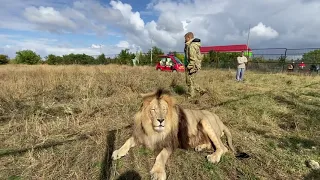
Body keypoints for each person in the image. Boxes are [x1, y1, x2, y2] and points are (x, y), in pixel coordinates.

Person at [184, 32, 206, 98]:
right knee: (191, 81)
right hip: (193, 65)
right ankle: (201, 91)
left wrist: (189, 67)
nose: (184, 40)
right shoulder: (190, 45)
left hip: (192, 66)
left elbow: (192, 58)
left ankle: (192, 95)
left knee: (190, 82)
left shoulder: (192, 46)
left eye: (185, 38)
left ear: (189, 37)